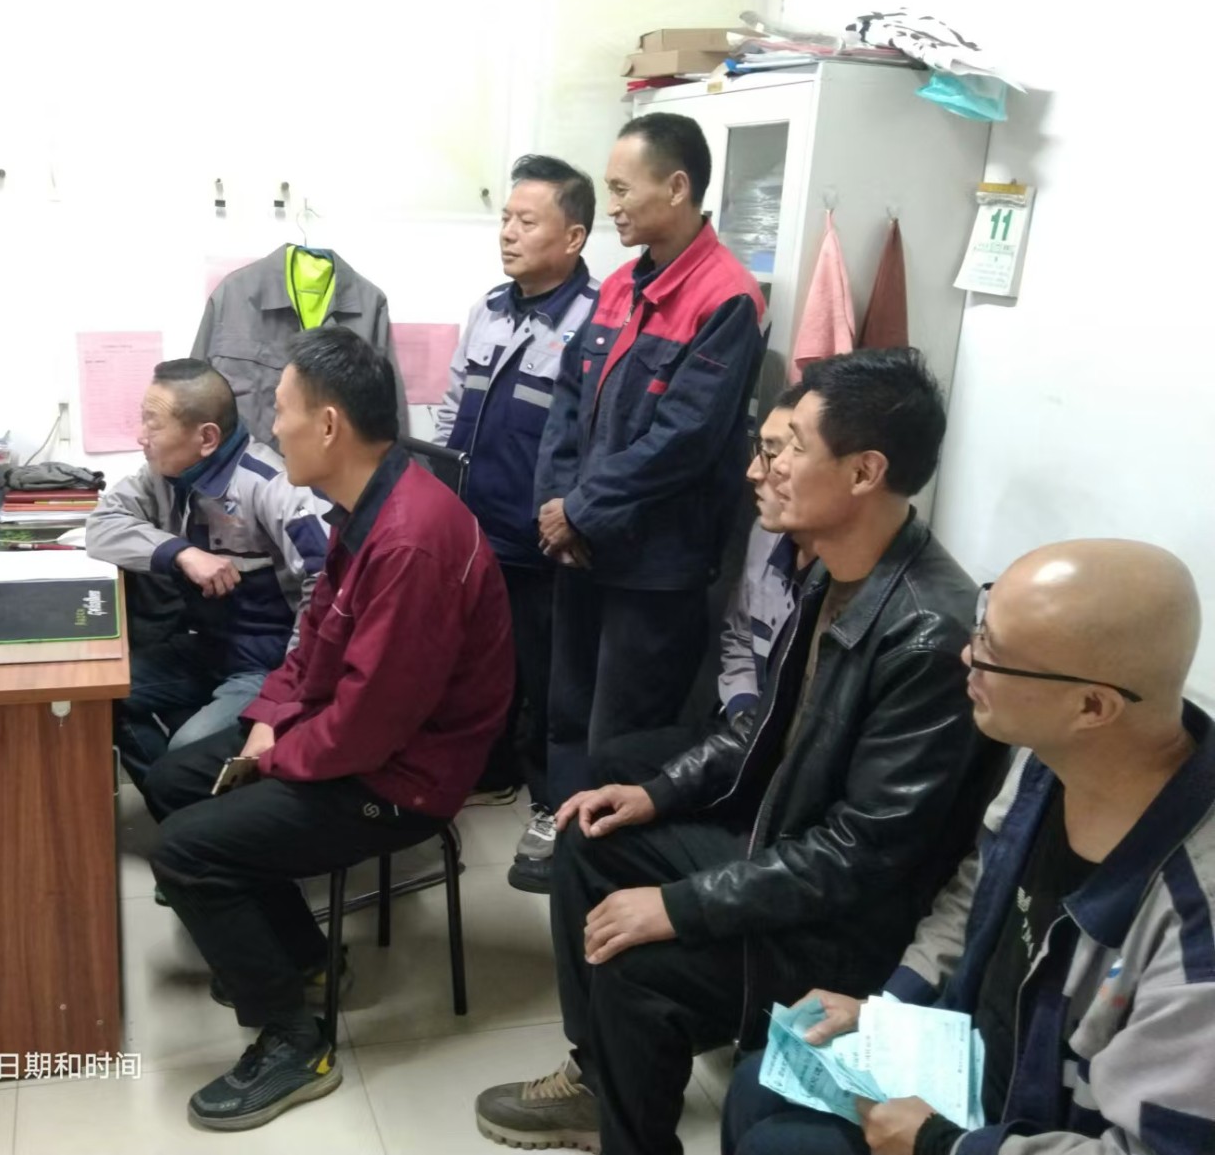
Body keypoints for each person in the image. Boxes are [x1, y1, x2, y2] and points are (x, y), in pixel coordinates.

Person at [476, 348, 1002, 1155]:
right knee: (592, 832)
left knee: (636, 967)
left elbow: (859, 857)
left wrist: (678, 905)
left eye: (791, 448)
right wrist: (655, 793)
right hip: (789, 846)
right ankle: (599, 1077)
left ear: (864, 472)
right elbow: (765, 725)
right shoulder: (836, 571)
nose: (766, 468)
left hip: (852, 923)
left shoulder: (930, 632)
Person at [724, 540, 1213, 1155]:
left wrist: (943, 1145)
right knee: (759, 1083)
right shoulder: (1049, 764)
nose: (967, 654)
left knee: (783, 1144)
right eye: (982, 625)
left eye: (993, 651)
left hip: (1029, 1131)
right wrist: (890, 1011)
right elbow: (977, 888)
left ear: (1092, 705)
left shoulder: (1194, 923)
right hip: (971, 1067)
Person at [143, 326, 515, 1132]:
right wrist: (266, 720)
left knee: (186, 849)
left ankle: (294, 1042)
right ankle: (304, 960)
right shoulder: (365, 503)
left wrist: (275, 760)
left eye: (281, 410)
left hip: (403, 778)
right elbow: (313, 640)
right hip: (353, 735)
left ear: (330, 423)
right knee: (174, 780)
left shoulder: (411, 539)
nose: (271, 427)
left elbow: (369, 728)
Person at [524, 112, 766, 892]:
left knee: (620, 728)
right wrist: (556, 507)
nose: (614, 207)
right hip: (581, 544)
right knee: (566, 708)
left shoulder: (728, 298)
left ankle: (601, 859)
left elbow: (684, 437)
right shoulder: (622, 284)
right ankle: (564, 830)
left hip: (654, 561)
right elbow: (568, 401)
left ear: (678, 186)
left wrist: (582, 511)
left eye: (624, 190)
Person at [431, 153, 601, 842]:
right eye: (505, 218)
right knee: (476, 663)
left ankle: (554, 802)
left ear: (574, 236)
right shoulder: (491, 307)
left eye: (527, 222)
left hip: (543, 539)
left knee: (551, 674)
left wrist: (573, 517)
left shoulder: (598, 319)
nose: (507, 233)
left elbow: (594, 438)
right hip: (473, 532)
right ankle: (492, 768)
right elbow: (451, 407)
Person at [86, 358, 330, 789]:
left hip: (265, 666)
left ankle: (187, 796)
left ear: (206, 438)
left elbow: (327, 583)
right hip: (207, 649)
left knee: (184, 755)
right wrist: (180, 553)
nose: (141, 436)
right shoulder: (165, 476)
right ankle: (177, 802)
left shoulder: (273, 487)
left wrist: (287, 690)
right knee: (96, 693)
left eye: (153, 423)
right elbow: (101, 528)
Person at [716, 387, 814, 731]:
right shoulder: (765, 535)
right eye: (762, 449)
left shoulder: (848, 577)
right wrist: (743, 710)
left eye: (773, 452)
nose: (754, 472)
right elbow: (741, 636)